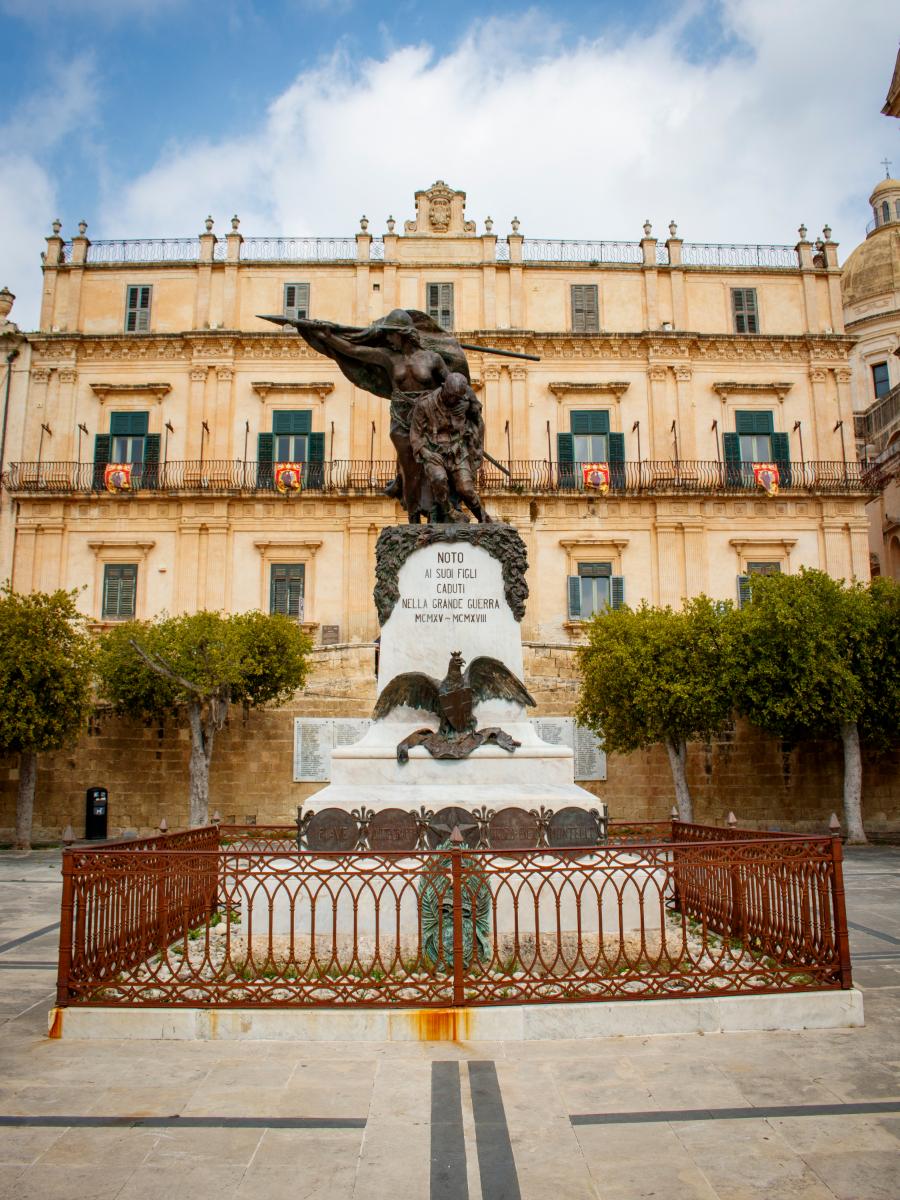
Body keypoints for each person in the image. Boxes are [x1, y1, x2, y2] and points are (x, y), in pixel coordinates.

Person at [264, 308, 470, 522]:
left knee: (434, 468)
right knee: (411, 472)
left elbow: (452, 385)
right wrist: (326, 336)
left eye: (390, 334)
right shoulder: (388, 357)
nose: (388, 338)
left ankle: (440, 512)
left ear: (402, 334)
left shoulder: (433, 359)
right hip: (402, 420)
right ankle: (414, 519)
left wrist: (466, 405)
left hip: (429, 419)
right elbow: (353, 350)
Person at [409, 373, 490, 523]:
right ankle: (450, 511)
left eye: (457, 398)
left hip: (458, 451)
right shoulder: (425, 404)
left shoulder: (462, 401)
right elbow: (415, 434)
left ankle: (484, 518)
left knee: (466, 489)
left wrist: (469, 406)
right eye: (451, 396)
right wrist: (426, 453)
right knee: (439, 478)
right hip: (434, 452)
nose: (453, 401)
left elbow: (477, 414)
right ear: (444, 387)